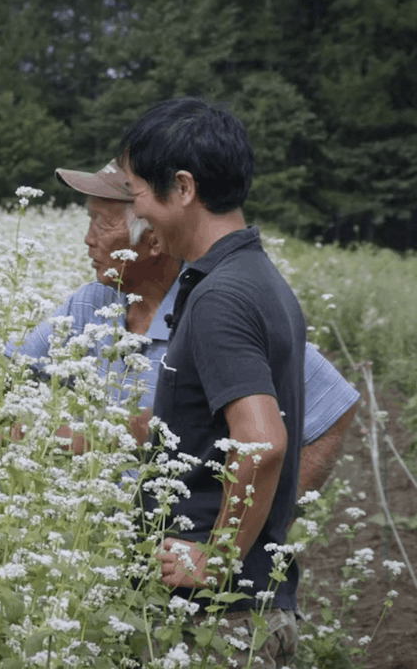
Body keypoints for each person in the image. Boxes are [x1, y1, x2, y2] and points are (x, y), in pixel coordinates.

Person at [2, 159, 357, 500]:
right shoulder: (92, 302)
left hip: (185, 548)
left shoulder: (214, 309)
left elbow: (333, 409)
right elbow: (7, 373)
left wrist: (265, 529)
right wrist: (7, 420)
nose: (87, 239)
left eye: (101, 223)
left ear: (153, 237)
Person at [118, 96, 307, 667]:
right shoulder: (255, 277)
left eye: (137, 194)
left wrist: (216, 558)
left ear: (182, 188)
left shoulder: (221, 297)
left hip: (222, 622)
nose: (136, 214)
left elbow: (261, 441)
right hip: (241, 611)